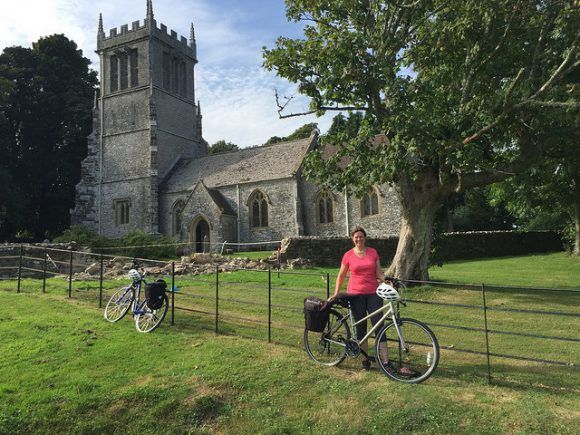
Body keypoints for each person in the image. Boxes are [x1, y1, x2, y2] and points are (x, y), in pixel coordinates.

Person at [331, 226, 388, 369]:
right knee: (361, 327)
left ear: (365, 237)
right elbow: (342, 275)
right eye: (356, 237)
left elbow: (379, 273)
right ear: (352, 239)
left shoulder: (373, 253)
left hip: (373, 294)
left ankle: (385, 360)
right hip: (356, 295)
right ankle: (365, 359)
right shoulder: (348, 255)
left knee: (379, 325)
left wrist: (385, 280)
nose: (358, 239)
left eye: (361, 236)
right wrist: (336, 292)